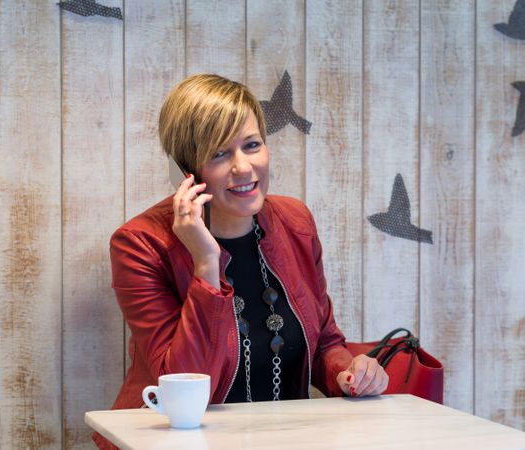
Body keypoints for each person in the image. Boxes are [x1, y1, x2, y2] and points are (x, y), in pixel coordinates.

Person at [94, 74, 388, 449]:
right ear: (185, 171)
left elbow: (324, 342)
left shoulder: (295, 222)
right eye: (219, 153)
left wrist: (350, 372)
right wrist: (205, 264)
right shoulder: (139, 244)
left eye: (252, 145)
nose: (244, 168)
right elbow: (183, 383)